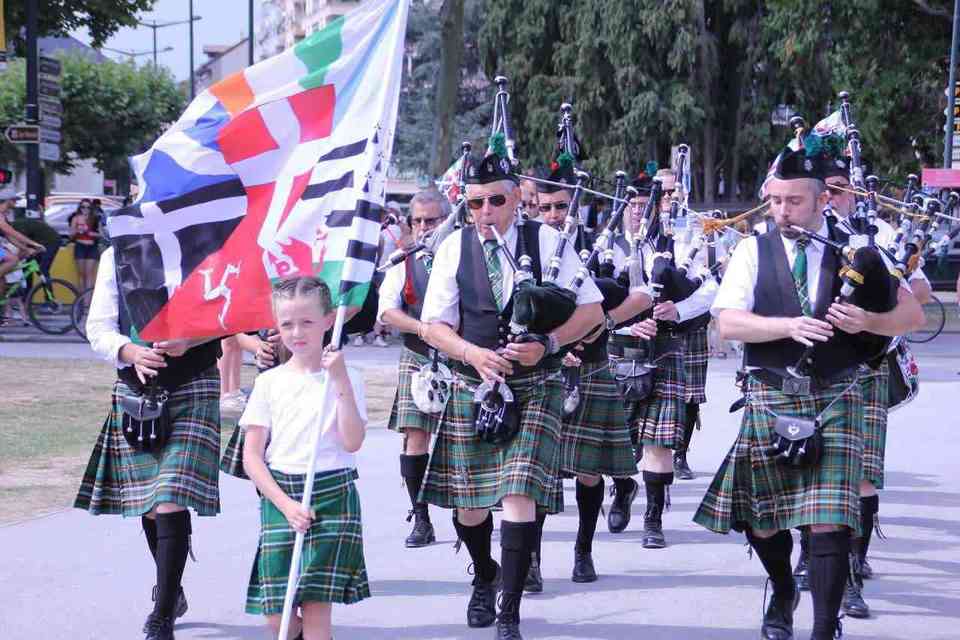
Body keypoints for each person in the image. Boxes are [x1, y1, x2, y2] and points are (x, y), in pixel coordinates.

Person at [693, 146, 923, 640]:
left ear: (823, 201)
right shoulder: (752, 250)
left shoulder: (857, 249)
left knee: (829, 522)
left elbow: (912, 315)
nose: (782, 211)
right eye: (775, 201)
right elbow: (727, 324)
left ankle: (824, 626)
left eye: (794, 201)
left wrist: (870, 321)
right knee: (763, 521)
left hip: (837, 395)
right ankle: (781, 587)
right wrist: (786, 326)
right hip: (772, 392)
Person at [419, 151, 603, 640]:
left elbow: (593, 312)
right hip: (473, 384)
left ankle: (510, 612)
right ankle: (484, 573)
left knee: (519, 495)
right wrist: (471, 354)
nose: (484, 212)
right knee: (470, 508)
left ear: (518, 198)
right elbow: (433, 326)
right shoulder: (455, 248)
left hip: (535, 385)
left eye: (495, 200)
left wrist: (549, 343)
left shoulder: (548, 242)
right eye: (475, 202)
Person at [794, 156, 931, 620]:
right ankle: (807, 557)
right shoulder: (793, 240)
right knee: (802, 466)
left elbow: (918, 304)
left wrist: (873, 312)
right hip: (805, 368)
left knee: (861, 476)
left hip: (865, 367)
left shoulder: (878, 237)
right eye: (824, 188)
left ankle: (851, 570)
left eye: (839, 187)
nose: (832, 196)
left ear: (851, 192)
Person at [75, 245, 223, 640]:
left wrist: (191, 340)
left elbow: (228, 315)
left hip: (195, 382)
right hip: (137, 392)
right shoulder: (116, 254)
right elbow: (99, 328)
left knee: (170, 494)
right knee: (152, 504)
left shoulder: (206, 245)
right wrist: (129, 350)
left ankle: (162, 614)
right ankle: (172, 593)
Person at [524, 168, 651, 589]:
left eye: (561, 206)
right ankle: (531, 560)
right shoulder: (526, 253)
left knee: (588, 473)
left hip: (592, 370)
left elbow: (642, 295)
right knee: (535, 474)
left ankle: (583, 550)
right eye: (545, 208)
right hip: (544, 373)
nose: (554, 215)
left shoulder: (600, 250)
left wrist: (602, 322)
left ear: (574, 207)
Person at [240, 276, 369, 640]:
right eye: (287, 323)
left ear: (329, 320)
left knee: (315, 608)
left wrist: (340, 378)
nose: (297, 332)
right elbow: (252, 457)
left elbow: (353, 441)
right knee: (276, 616)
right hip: (282, 495)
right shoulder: (269, 382)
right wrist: (285, 504)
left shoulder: (348, 377)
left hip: (332, 491)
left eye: (307, 322)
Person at [377, 187, 450, 548]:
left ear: (446, 220)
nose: (424, 227)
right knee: (415, 437)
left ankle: (470, 508)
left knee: (468, 437)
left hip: (461, 357)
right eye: (417, 220)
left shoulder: (464, 254)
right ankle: (420, 516)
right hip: (419, 355)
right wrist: (421, 328)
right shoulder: (402, 260)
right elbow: (387, 311)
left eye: (431, 220)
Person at [69, 199, 101, 292]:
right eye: (83, 207)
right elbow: (70, 235)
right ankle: (81, 302)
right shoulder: (75, 218)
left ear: (91, 208)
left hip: (92, 247)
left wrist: (90, 233)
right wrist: (77, 231)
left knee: (89, 275)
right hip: (80, 246)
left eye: (88, 207)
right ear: (80, 208)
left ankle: (88, 303)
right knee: (81, 275)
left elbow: (101, 234)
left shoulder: (94, 218)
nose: (85, 209)